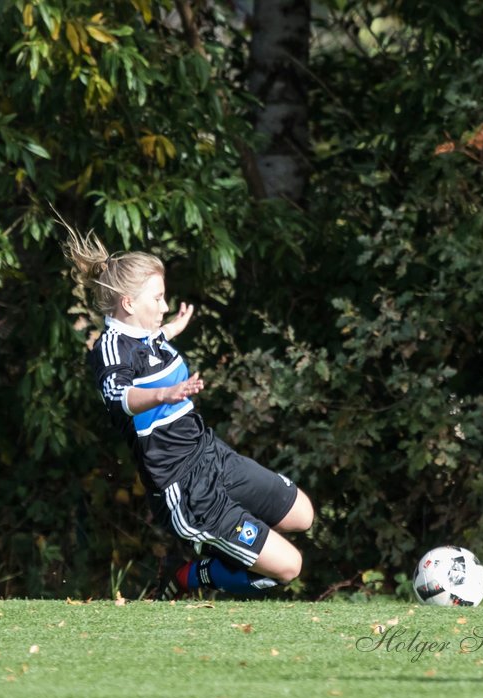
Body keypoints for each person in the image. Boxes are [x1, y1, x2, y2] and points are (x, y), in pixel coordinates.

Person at [65, 225, 315, 598]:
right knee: (289, 568)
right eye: (158, 299)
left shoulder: (145, 333)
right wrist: (164, 393)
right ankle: (185, 576)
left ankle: (229, 547)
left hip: (212, 455)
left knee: (303, 515)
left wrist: (172, 328)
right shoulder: (111, 349)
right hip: (185, 488)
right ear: (129, 304)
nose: (164, 306)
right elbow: (120, 394)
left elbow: (149, 343)